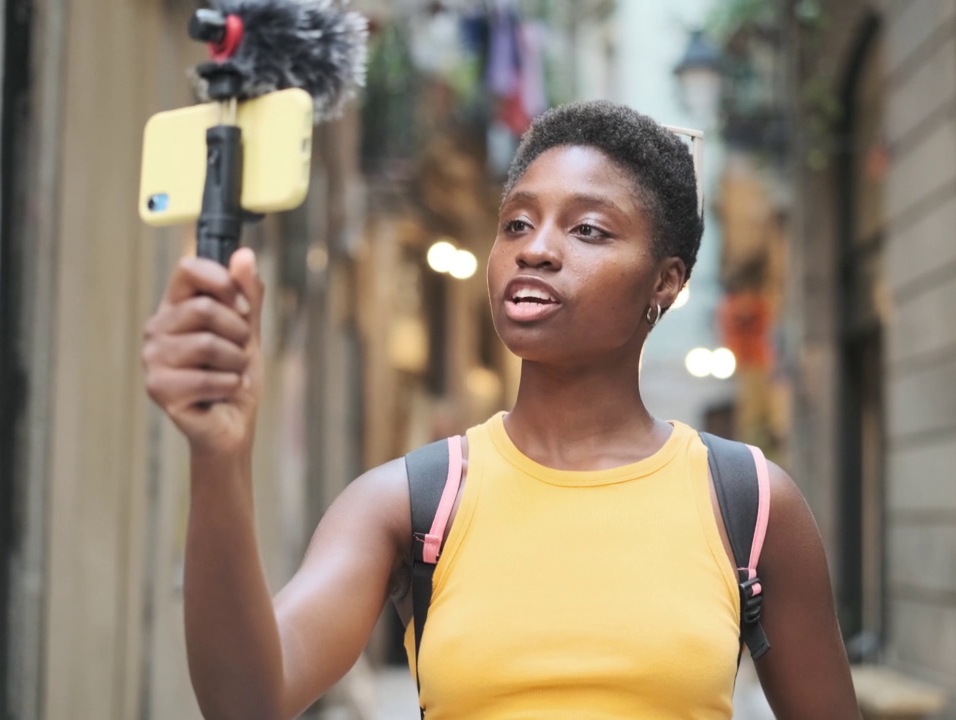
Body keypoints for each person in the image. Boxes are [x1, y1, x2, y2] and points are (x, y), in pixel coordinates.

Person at [142, 100, 859, 719]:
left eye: (588, 231)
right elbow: (248, 702)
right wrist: (219, 456)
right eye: (516, 224)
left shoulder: (750, 503)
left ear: (665, 282)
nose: (536, 250)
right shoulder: (411, 502)